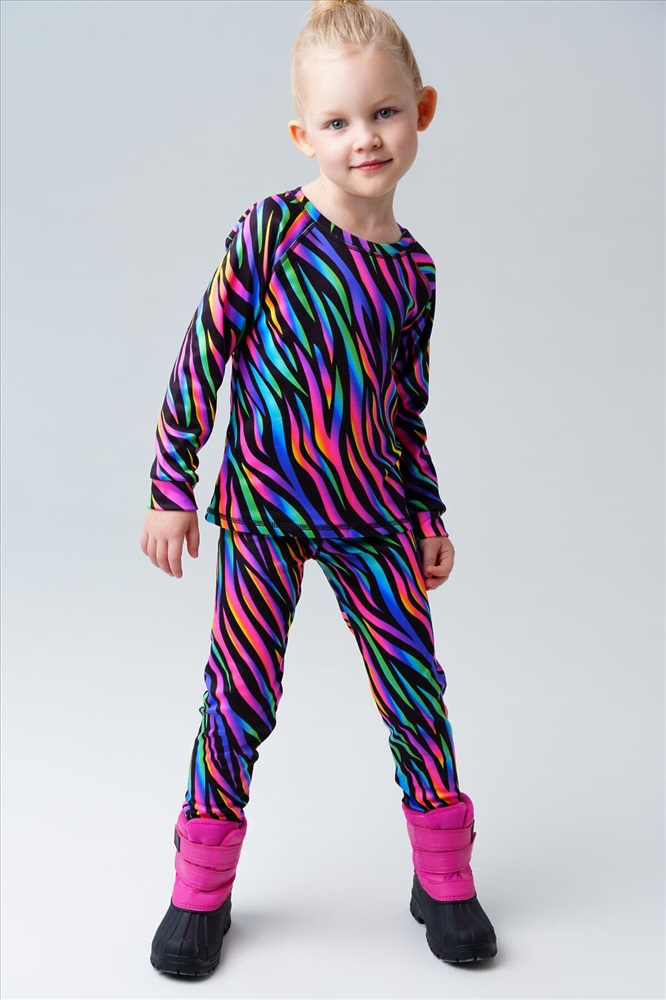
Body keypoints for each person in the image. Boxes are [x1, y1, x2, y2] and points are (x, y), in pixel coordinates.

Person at [141, 0, 498, 977]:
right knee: (239, 696)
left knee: (415, 687)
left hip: (372, 517)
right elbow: (200, 358)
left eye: (383, 113)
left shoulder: (414, 273)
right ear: (304, 135)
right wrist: (172, 483)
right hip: (262, 514)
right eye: (337, 122)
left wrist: (425, 511)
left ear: (422, 112)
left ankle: (444, 876)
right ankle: (199, 888)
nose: (364, 138)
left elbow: (405, 409)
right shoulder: (270, 232)